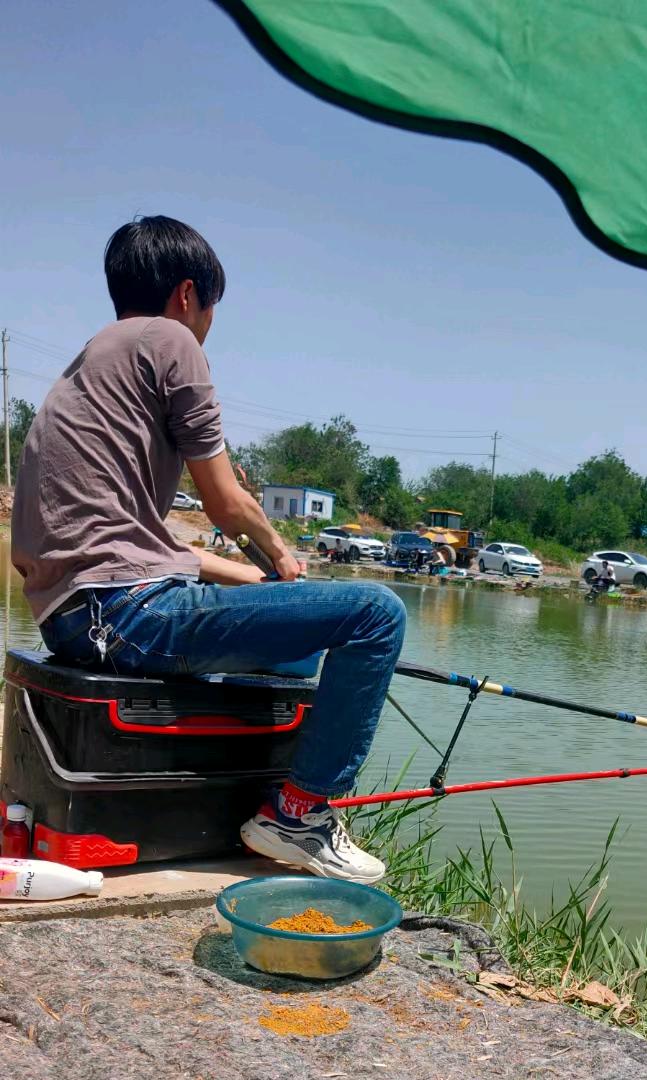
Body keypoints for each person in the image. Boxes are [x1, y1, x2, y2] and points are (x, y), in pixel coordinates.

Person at [11, 216, 405, 883]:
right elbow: (224, 503)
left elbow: (135, 541)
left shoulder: (93, 365)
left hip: (81, 617)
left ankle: (247, 796)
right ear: (188, 295)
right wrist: (282, 558)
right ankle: (299, 813)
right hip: (125, 613)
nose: (209, 323)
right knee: (376, 615)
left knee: (303, 648)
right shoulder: (171, 339)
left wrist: (248, 581)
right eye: (213, 307)